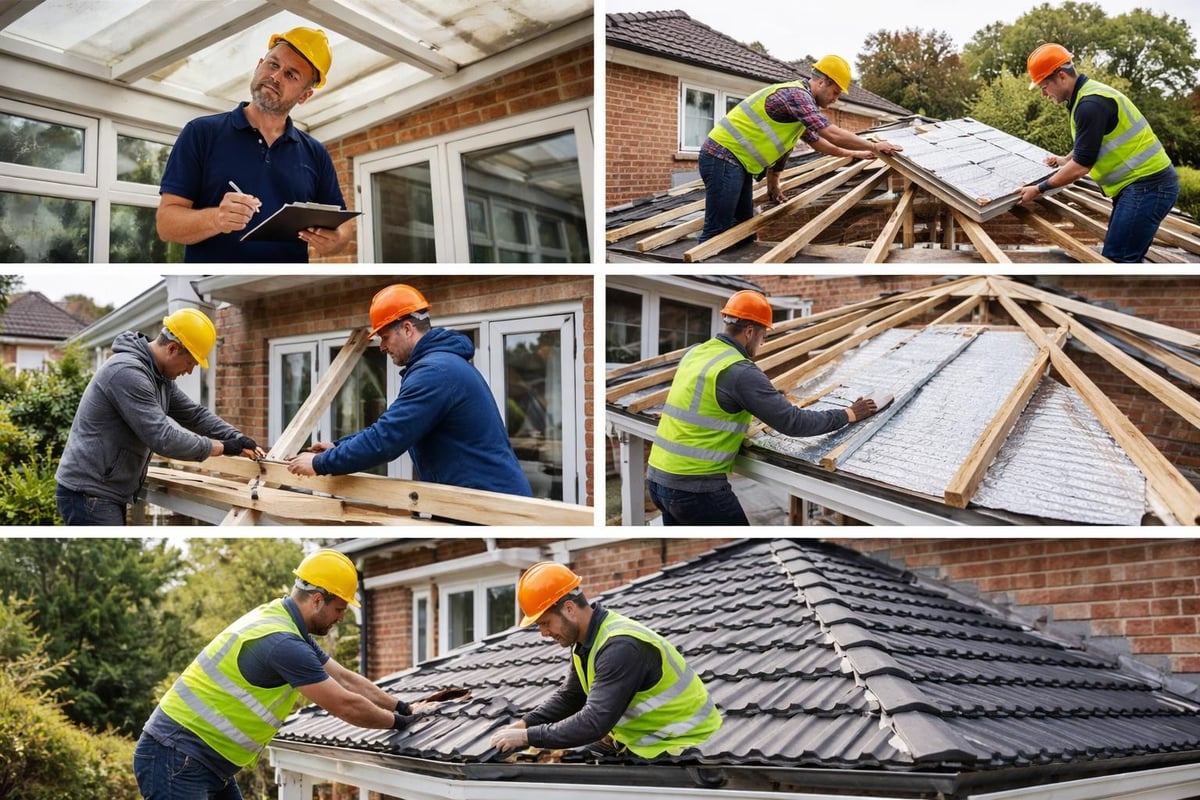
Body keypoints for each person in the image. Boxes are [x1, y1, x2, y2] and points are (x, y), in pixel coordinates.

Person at [133, 549, 435, 799]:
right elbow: (345, 704)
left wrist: (403, 707)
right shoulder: (283, 643)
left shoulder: (287, 625)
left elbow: (345, 678)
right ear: (317, 599)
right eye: (340, 609)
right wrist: (397, 723)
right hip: (175, 756)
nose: (342, 617)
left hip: (201, 761)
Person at [645, 290, 881, 525]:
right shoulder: (740, 371)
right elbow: (794, 423)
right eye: (763, 335)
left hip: (657, 479)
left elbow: (708, 400)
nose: (763, 342)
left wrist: (762, 399)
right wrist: (848, 414)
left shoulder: (696, 352)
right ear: (749, 332)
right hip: (695, 490)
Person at [287, 284, 533, 497]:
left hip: (489, 504)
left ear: (406, 328)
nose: (382, 347)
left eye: (384, 337)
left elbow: (388, 439)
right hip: (476, 497)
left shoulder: (435, 372)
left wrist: (321, 463)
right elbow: (392, 427)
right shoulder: (438, 366)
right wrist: (339, 447)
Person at [156, 27, 353, 262]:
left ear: (304, 96)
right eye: (273, 64)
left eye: (291, 75)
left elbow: (344, 225)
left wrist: (335, 239)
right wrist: (216, 218)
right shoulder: (201, 133)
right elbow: (166, 224)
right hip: (216, 286)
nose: (276, 77)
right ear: (259, 65)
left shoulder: (315, 153)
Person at [489, 562, 721, 759]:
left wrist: (527, 737)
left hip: (685, 743)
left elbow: (594, 723)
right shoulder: (586, 640)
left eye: (545, 623)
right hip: (650, 739)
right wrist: (524, 724)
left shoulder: (620, 647)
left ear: (569, 609)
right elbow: (572, 696)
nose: (544, 633)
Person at [55, 308, 265, 526]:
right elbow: (163, 439)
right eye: (190, 363)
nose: (190, 371)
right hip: (89, 493)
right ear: (173, 348)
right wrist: (222, 447)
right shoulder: (128, 373)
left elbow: (194, 414)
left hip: (102, 491)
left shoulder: (159, 378)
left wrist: (237, 438)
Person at [699, 54, 903, 242]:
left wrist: (853, 153)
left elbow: (815, 142)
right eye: (835, 92)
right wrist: (875, 146)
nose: (835, 99)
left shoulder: (802, 107)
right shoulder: (797, 96)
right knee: (718, 233)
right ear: (822, 82)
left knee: (743, 230)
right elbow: (830, 133)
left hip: (736, 163)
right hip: (722, 156)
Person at [1017, 43, 1179, 263]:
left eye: (1044, 86)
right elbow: (1091, 143)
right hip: (1141, 184)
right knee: (1123, 255)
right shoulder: (1087, 96)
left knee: (1118, 259)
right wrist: (1065, 160)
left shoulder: (1090, 104)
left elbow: (1082, 166)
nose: (1044, 94)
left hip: (1148, 185)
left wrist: (1038, 189)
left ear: (1062, 76)